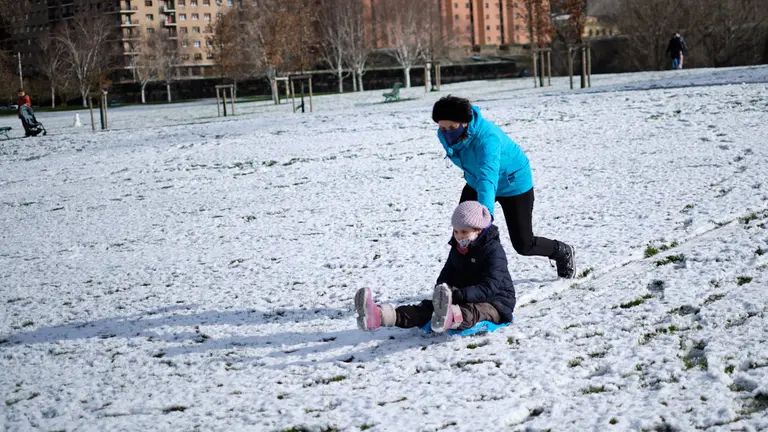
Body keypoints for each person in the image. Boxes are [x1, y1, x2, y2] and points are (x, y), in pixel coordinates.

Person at [432, 95, 576, 279]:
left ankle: (562, 251)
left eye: (452, 127)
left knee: (524, 244)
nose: (446, 132)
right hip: (477, 182)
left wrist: (484, 214)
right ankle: (461, 278)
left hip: (513, 185)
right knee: (463, 230)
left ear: (465, 122)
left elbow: (488, 175)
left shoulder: (487, 138)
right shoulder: (445, 135)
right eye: (442, 127)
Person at [356, 201, 516, 333]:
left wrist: (461, 295)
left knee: (474, 311)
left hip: (496, 302)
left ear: (479, 230)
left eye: (464, 232)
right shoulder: (458, 247)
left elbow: (491, 286)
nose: (459, 236)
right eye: (456, 231)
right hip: (461, 296)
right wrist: (443, 290)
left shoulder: (493, 251)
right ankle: (380, 315)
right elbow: (448, 271)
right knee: (426, 308)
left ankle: (450, 317)